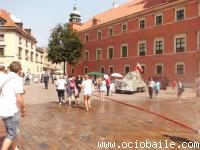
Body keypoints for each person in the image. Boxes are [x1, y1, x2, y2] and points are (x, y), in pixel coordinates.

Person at [0, 61, 26, 150]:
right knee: (12, 133)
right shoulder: (17, 79)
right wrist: (23, 110)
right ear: (19, 69)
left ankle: (15, 148)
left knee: (13, 130)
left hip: (3, 108)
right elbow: (19, 98)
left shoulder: (4, 76)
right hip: (11, 110)